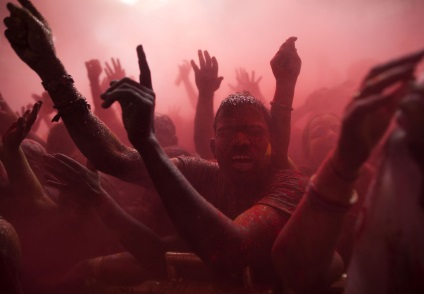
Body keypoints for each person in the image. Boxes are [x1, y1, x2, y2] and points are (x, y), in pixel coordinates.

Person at [4, 0, 306, 290]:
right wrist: (51, 70)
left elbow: (233, 250)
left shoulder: (289, 186)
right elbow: (116, 159)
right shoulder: (201, 173)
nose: (241, 141)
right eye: (229, 132)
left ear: (271, 142)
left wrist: (150, 145)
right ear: (213, 147)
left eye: (252, 131)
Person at [272, 49, 424, 293]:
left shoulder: (376, 174)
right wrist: (286, 85)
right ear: (306, 151)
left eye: (335, 128)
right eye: (318, 133)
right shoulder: (300, 179)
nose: (330, 134)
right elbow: (293, 269)